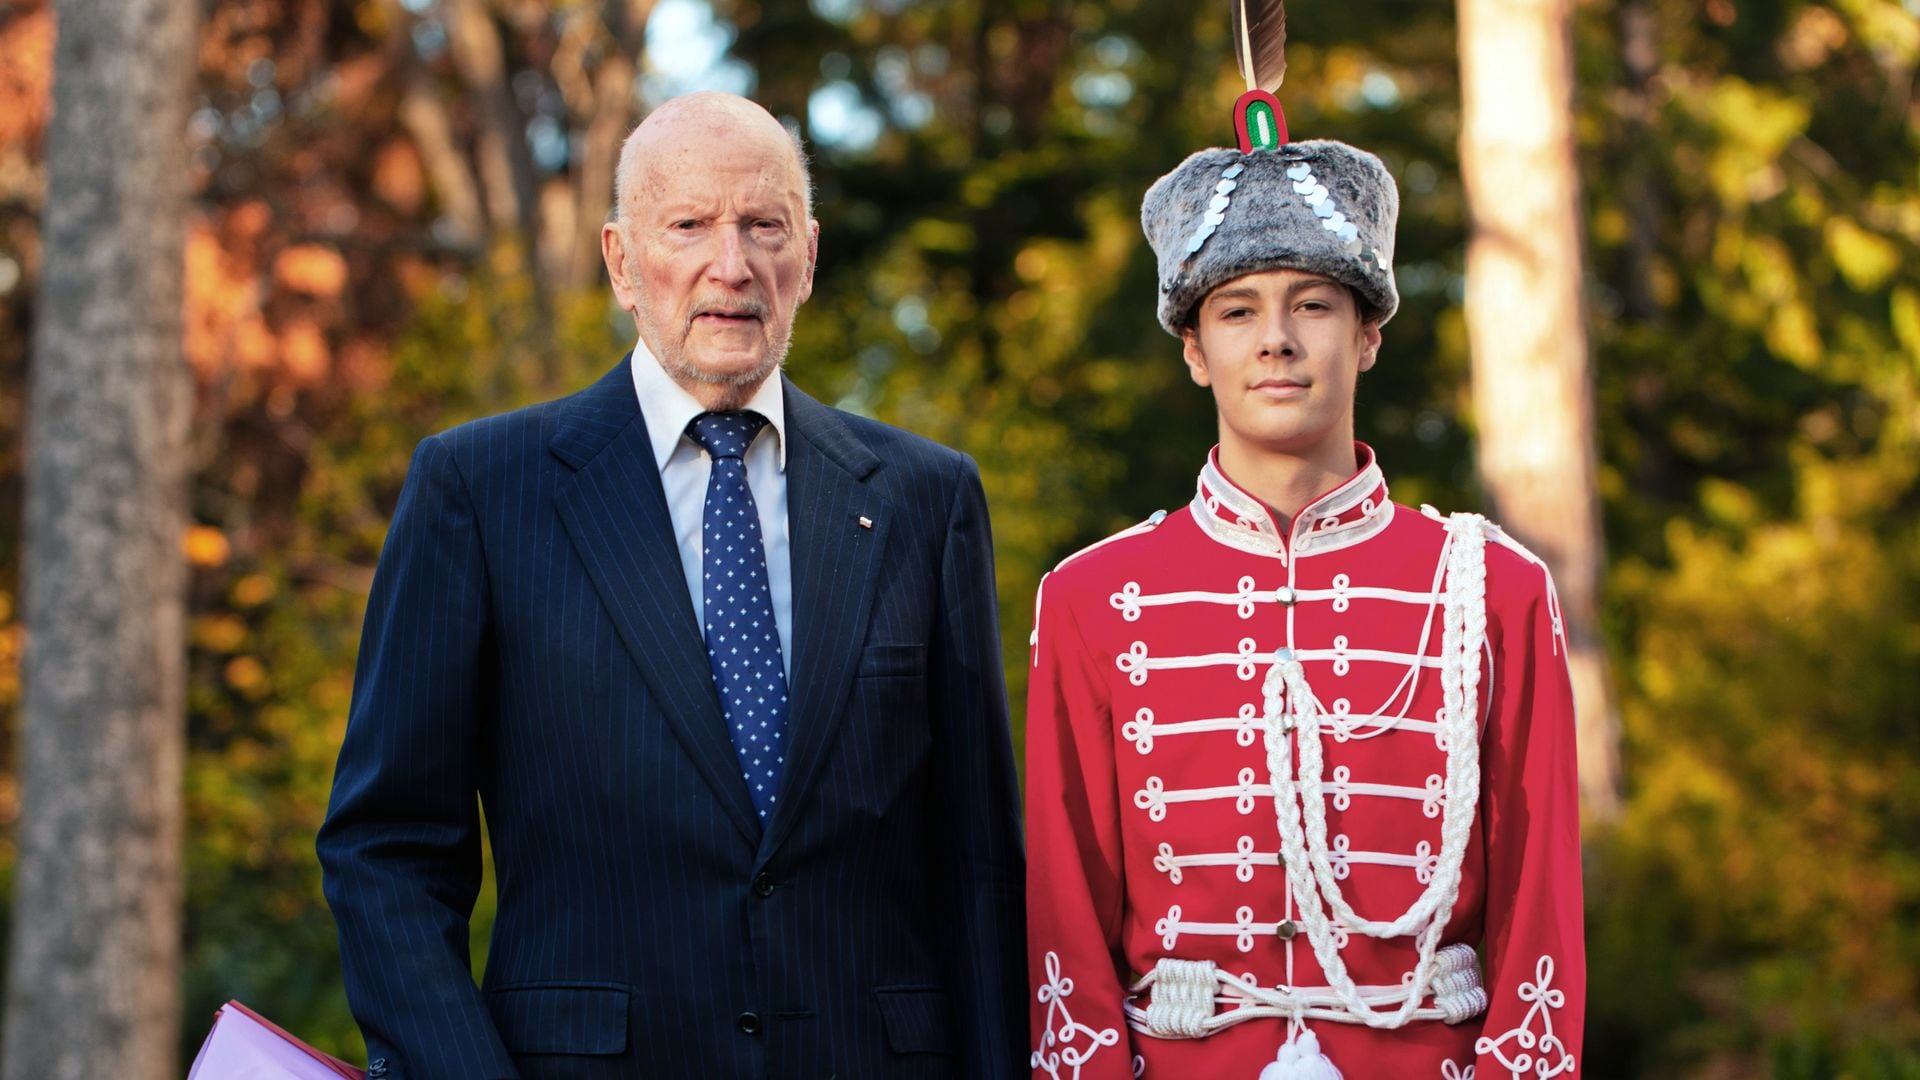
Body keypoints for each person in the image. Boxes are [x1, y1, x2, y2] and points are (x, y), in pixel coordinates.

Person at [318, 91, 1026, 1080]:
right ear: (620, 260)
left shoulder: (924, 498)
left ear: (807, 257)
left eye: (763, 226)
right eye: (688, 224)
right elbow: (386, 850)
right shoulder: (480, 491)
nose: (729, 265)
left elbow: (978, 861)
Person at [1024, 136, 1585, 1077]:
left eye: (1314, 304)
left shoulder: (1497, 587)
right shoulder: (1090, 597)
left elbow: (1542, 913)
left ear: (1368, 335)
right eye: (1237, 311)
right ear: (1196, 351)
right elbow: (1064, 917)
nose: (1277, 338)